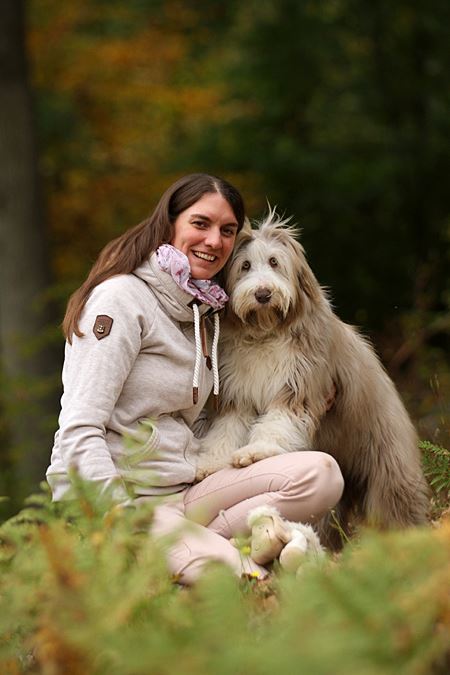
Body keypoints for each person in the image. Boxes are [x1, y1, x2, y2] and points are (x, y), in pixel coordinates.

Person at [46, 173, 344, 584]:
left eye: (227, 230)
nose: (214, 241)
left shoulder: (203, 310)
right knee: (237, 578)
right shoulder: (120, 300)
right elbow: (78, 430)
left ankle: (216, 546)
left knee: (322, 474)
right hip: (128, 502)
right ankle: (245, 555)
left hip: (186, 492)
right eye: (200, 224)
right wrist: (119, 519)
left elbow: (191, 422)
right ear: (169, 223)